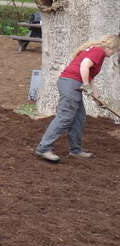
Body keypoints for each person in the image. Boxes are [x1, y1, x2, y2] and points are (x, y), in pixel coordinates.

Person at [34, 34, 120, 163]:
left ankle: (76, 150)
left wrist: (97, 97)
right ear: (111, 47)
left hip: (72, 83)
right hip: (70, 83)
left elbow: (90, 76)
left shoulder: (96, 51)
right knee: (65, 116)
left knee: (79, 118)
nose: (114, 53)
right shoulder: (99, 51)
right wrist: (86, 85)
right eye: (116, 50)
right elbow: (84, 65)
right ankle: (43, 148)